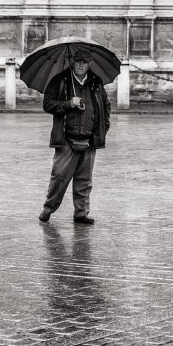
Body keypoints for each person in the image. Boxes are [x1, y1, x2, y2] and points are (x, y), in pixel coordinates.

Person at [39, 54, 111, 225]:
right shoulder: (61, 80)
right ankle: (48, 208)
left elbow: (105, 107)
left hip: (89, 140)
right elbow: (47, 104)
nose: (81, 65)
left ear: (90, 63)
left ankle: (81, 213)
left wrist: (102, 130)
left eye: (84, 62)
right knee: (59, 178)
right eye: (78, 61)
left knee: (84, 181)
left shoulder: (96, 83)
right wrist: (68, 103)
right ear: (72, 62)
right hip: (66, 140)